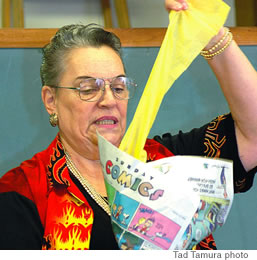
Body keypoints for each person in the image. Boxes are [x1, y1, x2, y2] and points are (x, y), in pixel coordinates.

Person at [0, 0, 257, 250]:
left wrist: (211, 34)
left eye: (118, 86)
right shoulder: (22, 194)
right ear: (51, 100)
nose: (109, 100)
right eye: (88, 88)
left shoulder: (163, 160)